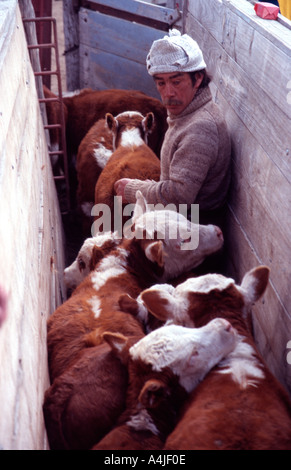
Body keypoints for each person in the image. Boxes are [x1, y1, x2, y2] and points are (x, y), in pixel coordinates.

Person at [114, 29, 231, 232]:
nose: (168, 92)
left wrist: (133, 190)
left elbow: (178, 197)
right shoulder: (186, 115)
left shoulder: (200, 128)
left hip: (192, 233)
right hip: (183, 219)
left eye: (176, 82)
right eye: (161, 83)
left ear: (197, 79)